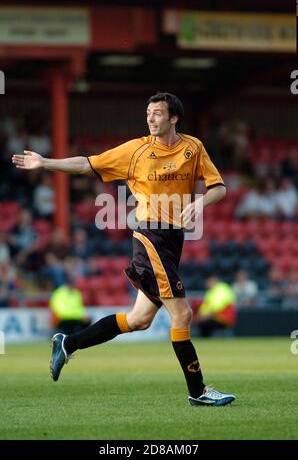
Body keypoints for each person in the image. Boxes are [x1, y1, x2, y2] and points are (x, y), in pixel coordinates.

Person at [12, 92, 235, 407]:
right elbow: (87, 164)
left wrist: (200, 202)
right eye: (148, 113)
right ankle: (197, 391)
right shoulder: (136, 150)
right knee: (182, 313)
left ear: (174, 118)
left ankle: (68, 343)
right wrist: (45, 162)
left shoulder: (193, 147)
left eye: (157, 113)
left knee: (139, 319)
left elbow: (219, 188)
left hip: (173, 240)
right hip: (150, 236)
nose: (150, 118)